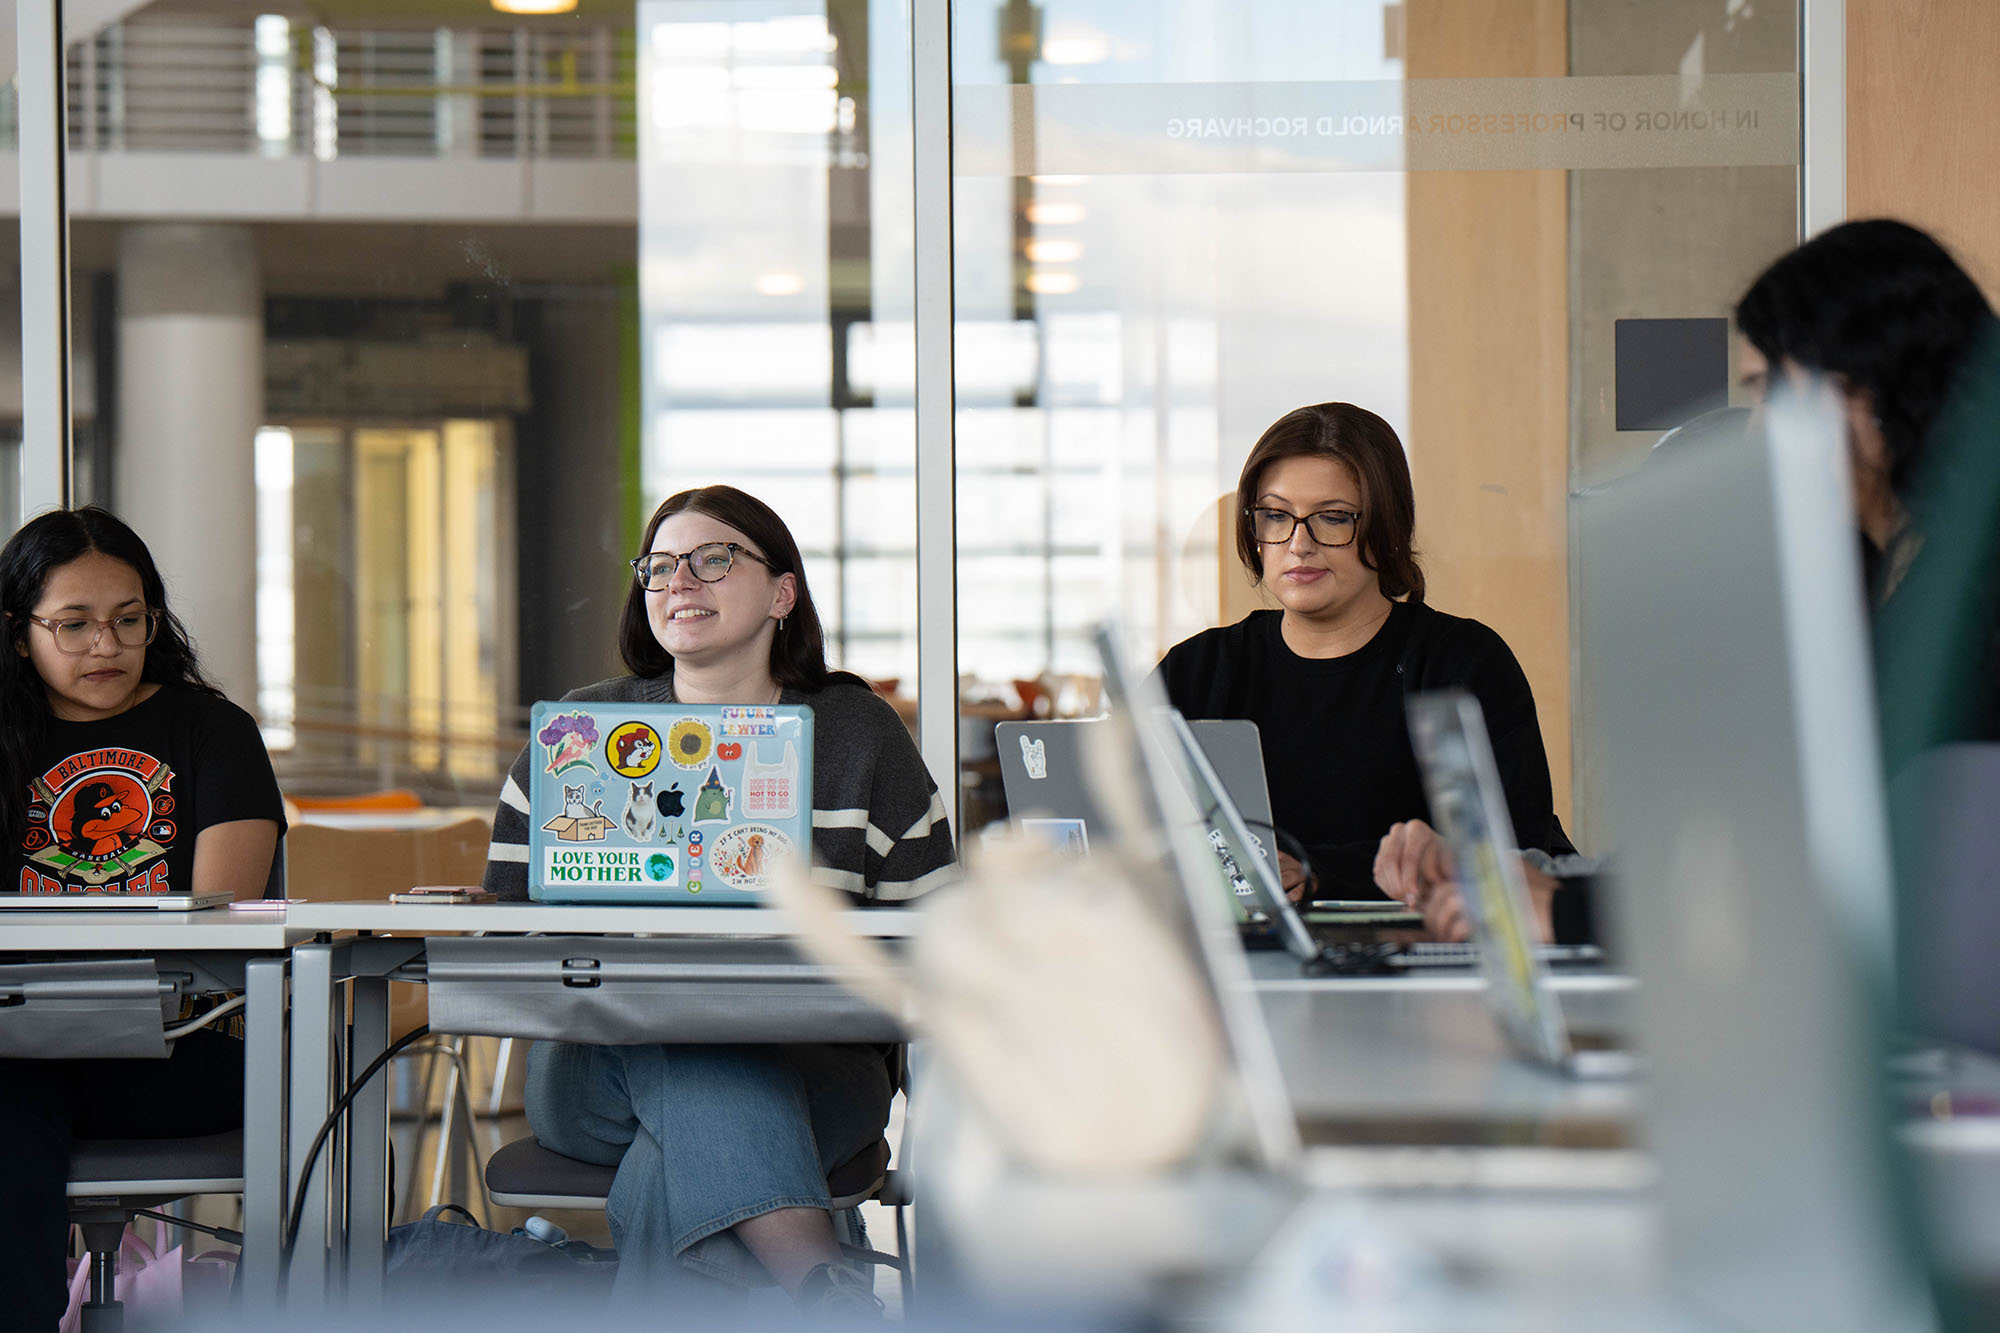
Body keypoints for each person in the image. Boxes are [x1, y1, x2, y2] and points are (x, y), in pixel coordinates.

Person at [1378, 218, 2000, 942]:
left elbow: (1854, 890)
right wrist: (1537, 886)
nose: (1755, 431)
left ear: (1870, 393)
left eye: (1772, 390)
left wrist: (1568, 911)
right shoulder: (1878, 592)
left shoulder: (1969, 611)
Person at [482, 484, 955, 1317]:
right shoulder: (579, 736)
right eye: (659, 568)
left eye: (712, 560)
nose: (677, 584)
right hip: (599, 1065)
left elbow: (937, 937)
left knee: (685, 1122)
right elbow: (508, 934)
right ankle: (828, 1291)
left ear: (782, 592)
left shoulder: (859, 734)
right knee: (684, 1028)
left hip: (817, 1064)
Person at [0, 506, 285, 1333]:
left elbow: (219, 927)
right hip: (20, 1045)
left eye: (129, 620)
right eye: (75, 624)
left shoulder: (212, 731)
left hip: (171, 1053)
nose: (106, 645)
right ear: (21, 635)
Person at [1155, 401, 1570, 902]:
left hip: (1427, 963)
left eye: (1332, 518)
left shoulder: (1461, 663)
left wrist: (1318, 870)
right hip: (1232, 967)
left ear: (1386, 527)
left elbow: (1511, 855)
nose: (1299, 544)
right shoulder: (1195, 672)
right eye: (1276, 516)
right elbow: (1121, 831)